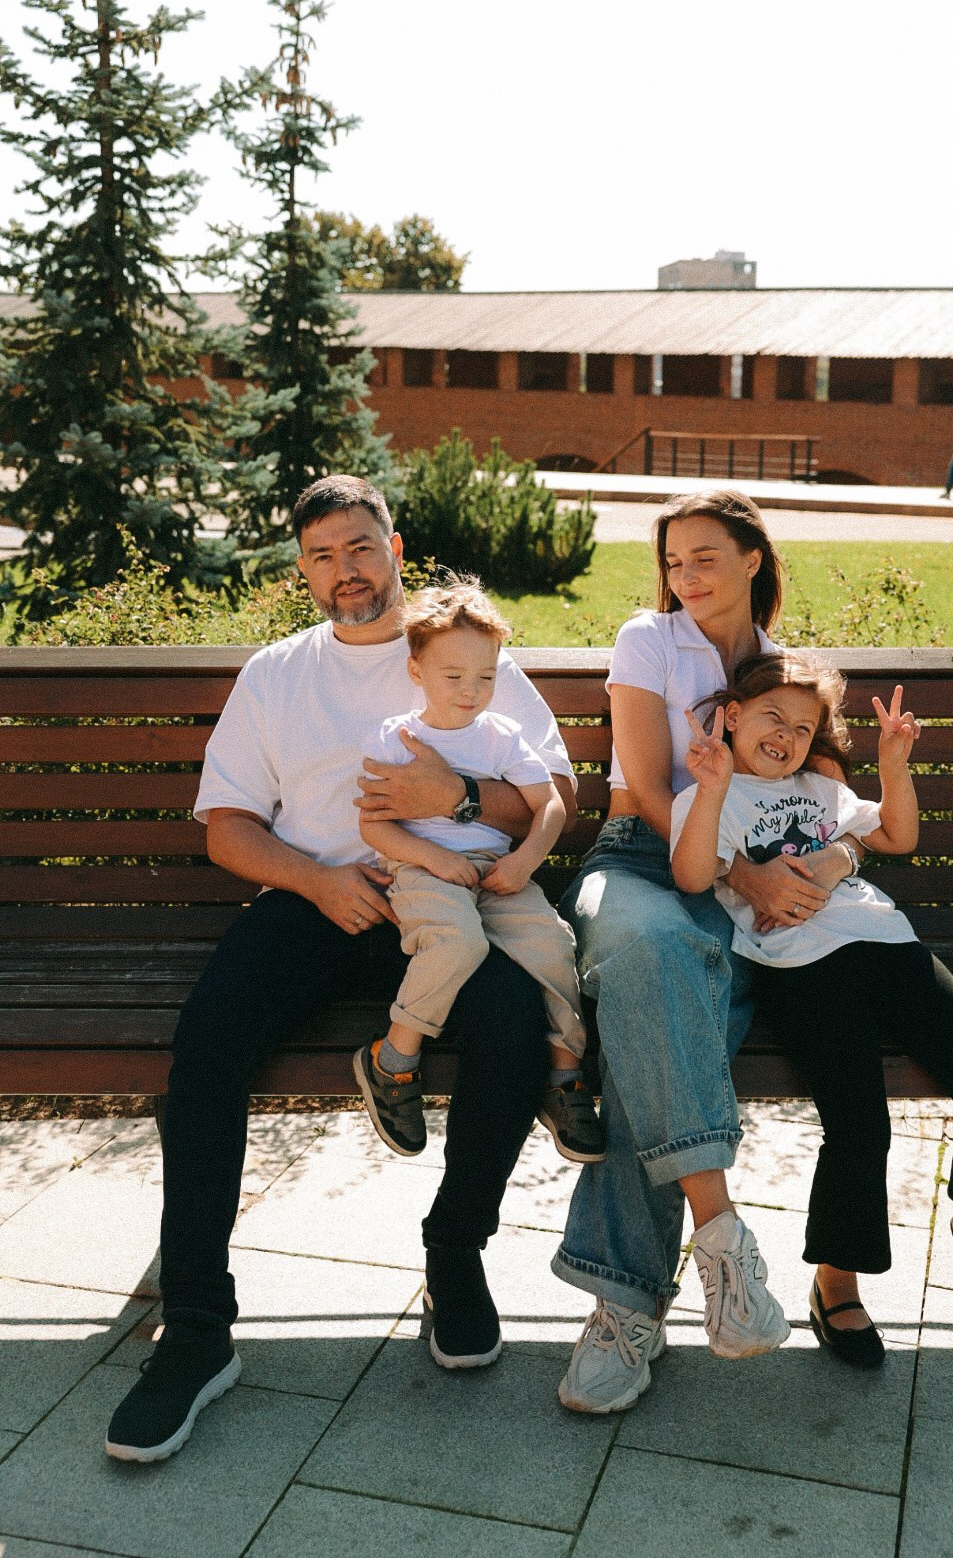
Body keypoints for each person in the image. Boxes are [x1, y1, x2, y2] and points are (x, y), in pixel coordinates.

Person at [106, 475, 577, 1463]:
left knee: (508, 1023)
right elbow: (228, 827)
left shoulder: (457, 651)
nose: (343, 571)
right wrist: (317, 883)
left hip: (447, 893)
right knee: (211, 1036)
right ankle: (195, 1327)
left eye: (359, 547)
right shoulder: (278, 673)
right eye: (321, 555)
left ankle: (455, 1251)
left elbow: (560, 792)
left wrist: (455, 793)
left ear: (395, 546)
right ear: (303, 569)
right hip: (319, 899)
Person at [552, 491, 857, 1416]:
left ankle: (624, 1305)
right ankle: (721, 1239)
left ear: (754, 558)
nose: (686, 577)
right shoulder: (649, 639)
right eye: (674, 561)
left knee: (664, 1019)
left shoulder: (782, 669)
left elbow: (835, 792)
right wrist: (744, 874)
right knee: (652, 954)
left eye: (706, 557)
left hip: (741, 879)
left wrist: (809, 865)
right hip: (644, 859)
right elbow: (645, 787)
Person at [670, 651, 953, 1368]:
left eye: (804, 728)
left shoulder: (821, 788)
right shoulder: (710, 794)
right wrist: (713, 786)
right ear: (735, 715)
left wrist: (894, 766)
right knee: (859, 1122)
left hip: (886, 942)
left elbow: (896, 837)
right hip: (802, 970)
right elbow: (691, 876)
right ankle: (836, 1283)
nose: (786, 735)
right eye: (772, 717)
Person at [354, 576, 604, 1165]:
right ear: (417, 671)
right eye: (453, 677)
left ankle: (564, 1078)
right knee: (456, 942)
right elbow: (374, 828)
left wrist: (523, 862)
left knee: (553, 944)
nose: (471, 692)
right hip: (422, 866)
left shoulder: (502, 736)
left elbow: (551, 805)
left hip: (497, 870)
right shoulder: (396, 738)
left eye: (486, 677)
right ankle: (393, 1059)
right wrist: (434, 857)